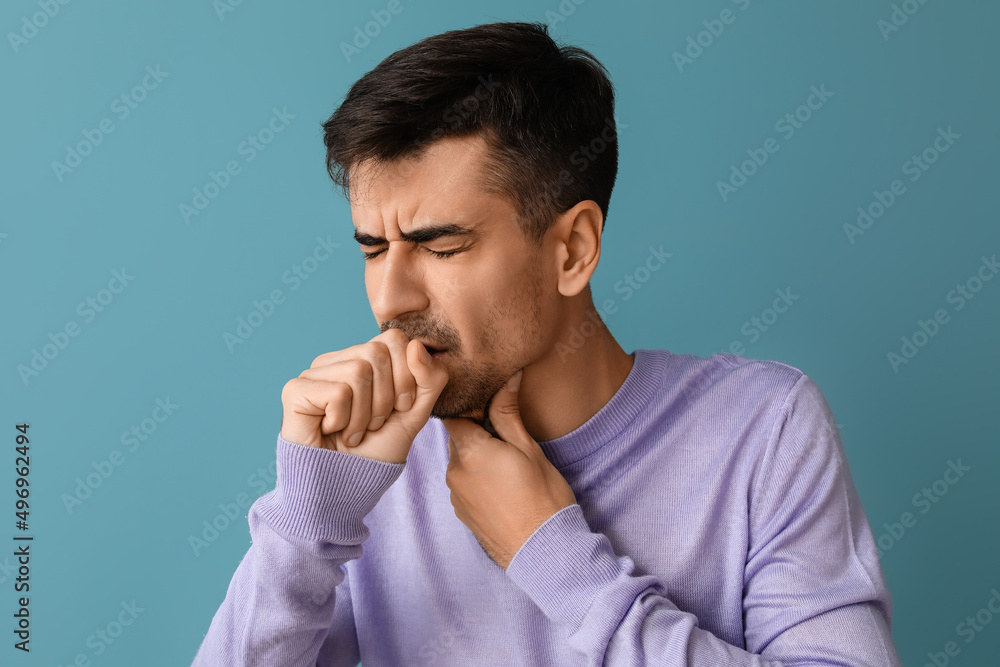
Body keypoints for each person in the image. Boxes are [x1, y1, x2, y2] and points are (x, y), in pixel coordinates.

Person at [192, 21, 902, 666]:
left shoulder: (763, 430)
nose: (390, 298)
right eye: (374, 248)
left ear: (573, 250)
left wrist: (553, 555)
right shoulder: (364, 475)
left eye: (440, 245)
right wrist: (308, 520)